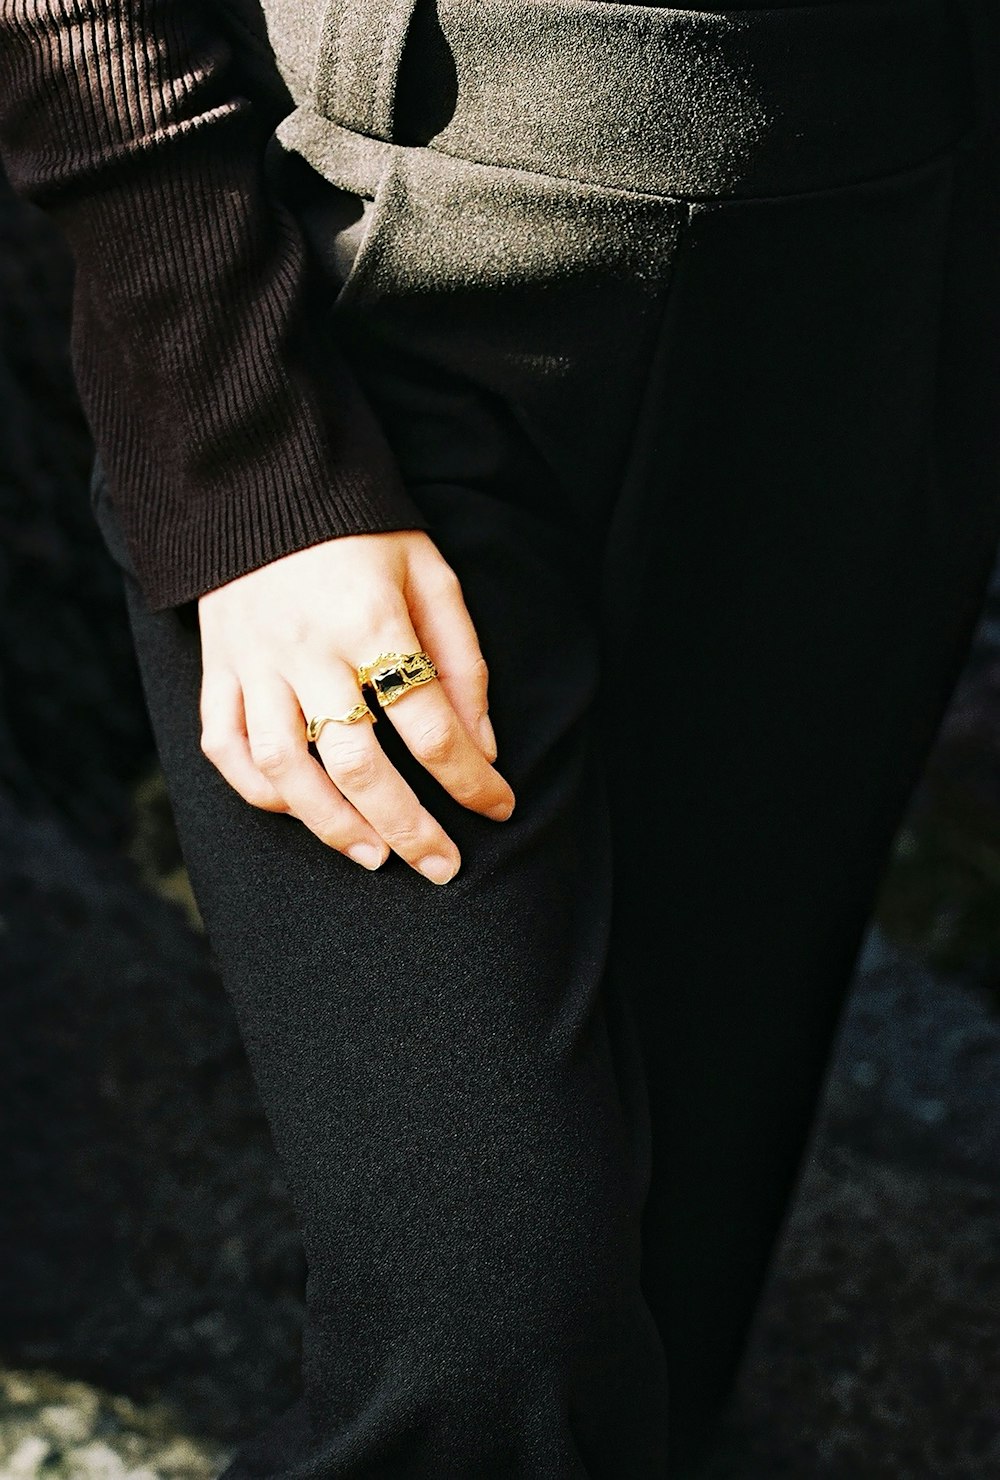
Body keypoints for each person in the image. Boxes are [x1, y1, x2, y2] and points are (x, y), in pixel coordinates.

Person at [2, 0, 998, 1474]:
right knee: (492, 1346)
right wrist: (238, 446)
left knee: (668, 1304)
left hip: (882, 277)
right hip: (385, 330)